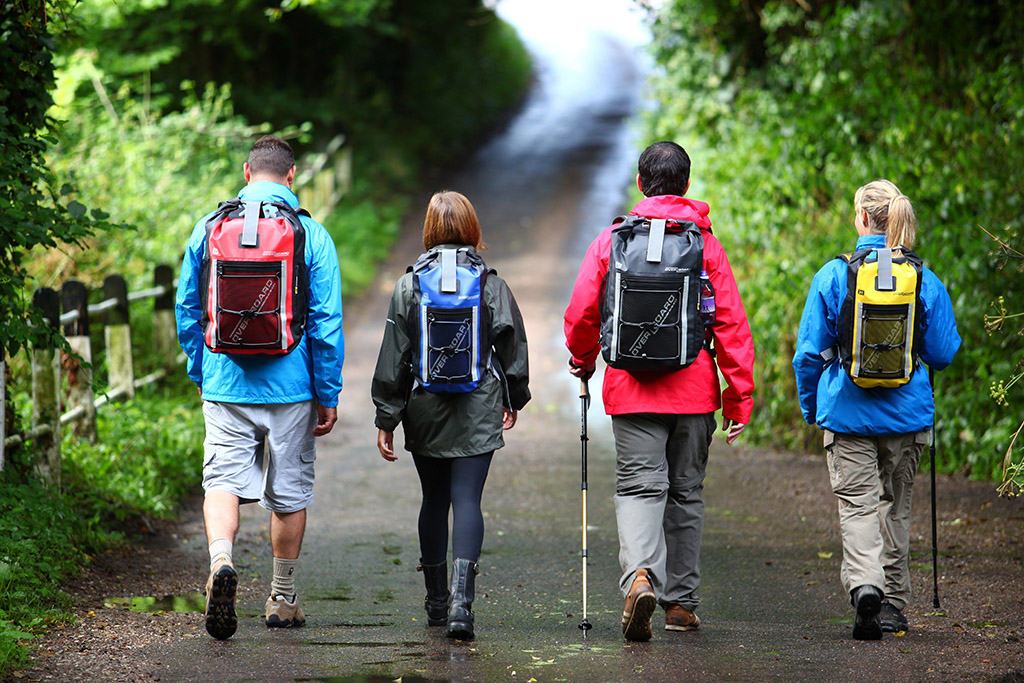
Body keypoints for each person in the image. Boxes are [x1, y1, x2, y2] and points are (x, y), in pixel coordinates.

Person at [564, 141, 755, 642]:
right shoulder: (705, 246)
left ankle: (641, 577)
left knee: (638, 489)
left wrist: (583, 362)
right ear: (687, 185)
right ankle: (681, 605)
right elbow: (731, 325)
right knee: (685, 494)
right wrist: (739, 397)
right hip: (693, 393)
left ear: (640, 183)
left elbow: (583, 312)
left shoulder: (611, 241)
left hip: (630, 391)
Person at [175, 135, 344, 640]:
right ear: (292, 177)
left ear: (247, 172)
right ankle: (282, 598)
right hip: (292, 388)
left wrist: (202, 368)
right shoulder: (311, 234)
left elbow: (187, 308)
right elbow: (326, 323)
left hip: (226, 382)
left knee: (222, 480)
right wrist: (327, 393)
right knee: (288, 491)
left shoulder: (209, 227)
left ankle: (222, 563)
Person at [792, 179, 960, 640]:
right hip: (907, 419)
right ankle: (893, 606)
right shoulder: (924, 278)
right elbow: (943, 352)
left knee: (859, 508)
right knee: (896, 509)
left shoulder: (834, 275)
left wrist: (813, 408)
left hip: (847, 416)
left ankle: (866, 585)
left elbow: (808, 354)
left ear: (863, 218)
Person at [371, 190, 530, 641]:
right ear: (471, 228)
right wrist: (513, 396)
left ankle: (436, 605)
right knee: (467, 501)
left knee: (433, 501)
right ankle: (463, 607)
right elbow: (512, 344)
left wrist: (387, 415)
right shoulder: (490, 282)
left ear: (428, 231)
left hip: (425, 407)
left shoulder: (409, 285)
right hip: (478, 407)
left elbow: (393, 357)